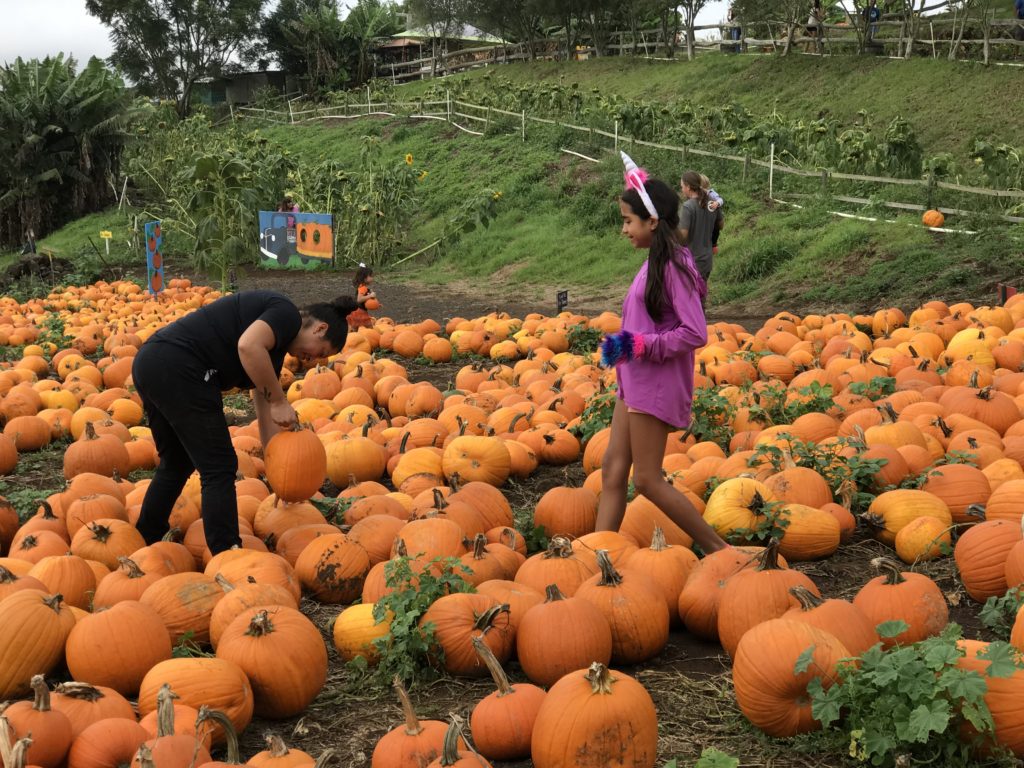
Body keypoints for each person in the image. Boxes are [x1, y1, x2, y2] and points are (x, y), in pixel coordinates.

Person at [132, 290, 358, 555]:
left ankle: (147, 535)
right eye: (321, 352)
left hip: (152, 363)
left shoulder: (272, 354)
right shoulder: (286, 313)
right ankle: (227, 552)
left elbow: (264, 411)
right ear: (320, 328)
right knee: (219, 466)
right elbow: (248, 346)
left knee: (177, 462)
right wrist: (279, 401)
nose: (313, 360)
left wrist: (278, 466)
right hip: (180, 366)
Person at [593, 152, 730, 556]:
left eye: (628, 221)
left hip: (654, 385)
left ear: (653, 222)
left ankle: (719, 549)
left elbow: (694, 332)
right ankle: (598, 552)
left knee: (647, 481)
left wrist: (638, 345)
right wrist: (628, 347)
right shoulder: (654, 259)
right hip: (633, 382)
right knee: (613, 470)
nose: (624, 229)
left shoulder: (673, 265)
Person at [679, 170, 724, 287]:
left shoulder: (688, 206)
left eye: (682, 187)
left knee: (689, 298)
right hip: (706, 261)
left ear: (688, 187)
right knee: (700, 296)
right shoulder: (713, 203)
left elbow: (682, 236)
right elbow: (721, 225)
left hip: (690, 262)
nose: (682, 190)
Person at [699, 174, 725, 257]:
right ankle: (707, 250)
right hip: (705, 220)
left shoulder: (711, 193)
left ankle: (714, 250)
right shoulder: (698, 196)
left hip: (714, 219)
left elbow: (720, 199)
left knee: (715, 233)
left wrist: (717, 203)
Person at [347, 263, 379, 330]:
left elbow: (366, 302)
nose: (372, 278)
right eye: (370, 276)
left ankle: (352, 337)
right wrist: (370, 295)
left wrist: (376, 304)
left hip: (356, 311)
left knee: (355, 328)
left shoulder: (363, 287)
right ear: (364, 278)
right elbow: (359, 299)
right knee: (370, 328)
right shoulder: (363, 288)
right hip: (360, 312)